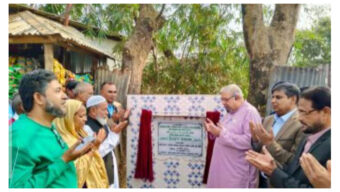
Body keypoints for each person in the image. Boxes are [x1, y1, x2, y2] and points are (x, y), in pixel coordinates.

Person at [9, 69, 93, 188]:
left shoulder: (49, 126)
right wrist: (63, 161)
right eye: (58, 91)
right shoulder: (20, 135)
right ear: (38, 98)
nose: (65, 97)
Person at [245, 86, 331, 188]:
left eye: (304, 112)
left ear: (325, 112)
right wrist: (271, 168)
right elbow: (293, 171)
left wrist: (273, 171)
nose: (299, 118)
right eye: (299, 112)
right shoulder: (308, 137)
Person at [204, 84, 262, 188]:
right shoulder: (230, 113)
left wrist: (221, 133)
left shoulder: (250, 112)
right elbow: (223, 135)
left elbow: (251, 141)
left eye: (226, 100)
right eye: (222, 100)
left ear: (238, 97)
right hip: (222, 171)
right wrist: (213, 130)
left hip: (237, 174)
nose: (223, 103)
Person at [250, 82, 305, 187]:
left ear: (293, 99)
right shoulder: (268, 120)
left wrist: (270, 143)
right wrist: (255, 140)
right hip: (260, 179)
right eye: (273, 97)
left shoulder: (301, 123)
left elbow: (295, 161)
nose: (273, 101)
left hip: (280, 181)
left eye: (279, 97)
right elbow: (259, 149)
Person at [54, 99, 109, 188]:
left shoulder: (81, 133)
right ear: (69, 117)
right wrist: (93, 149)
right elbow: (76, 170)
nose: (85, 119)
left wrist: (95, 146)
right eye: (81, 116)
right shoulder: (64, 141)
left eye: (85, 115)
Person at [85, 95, 127, 188]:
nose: (107, 113)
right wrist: (114, 134)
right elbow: (94, 154)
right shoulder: (87, 128)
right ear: (93, 111)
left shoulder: (102, 123)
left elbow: (109, 146)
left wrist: (114, 133)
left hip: (109, 171)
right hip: (97, 178)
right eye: (104, 109)